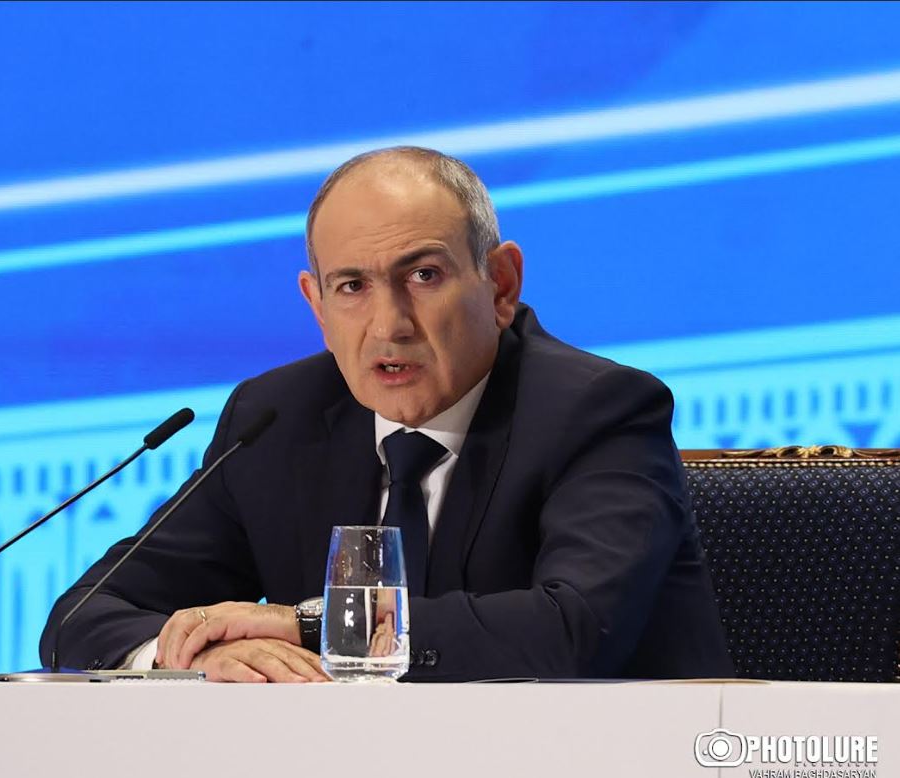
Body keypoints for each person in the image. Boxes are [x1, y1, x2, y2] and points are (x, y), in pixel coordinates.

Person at [40, 146, 734, 682]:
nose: (389, 323)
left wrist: (311, 626)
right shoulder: (276, 419)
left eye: (423, 275)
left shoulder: (597, 410)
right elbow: (85, 612)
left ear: (500, 284)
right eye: (352, 286)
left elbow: (573, 629)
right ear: (316, 304)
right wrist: (195, 656)